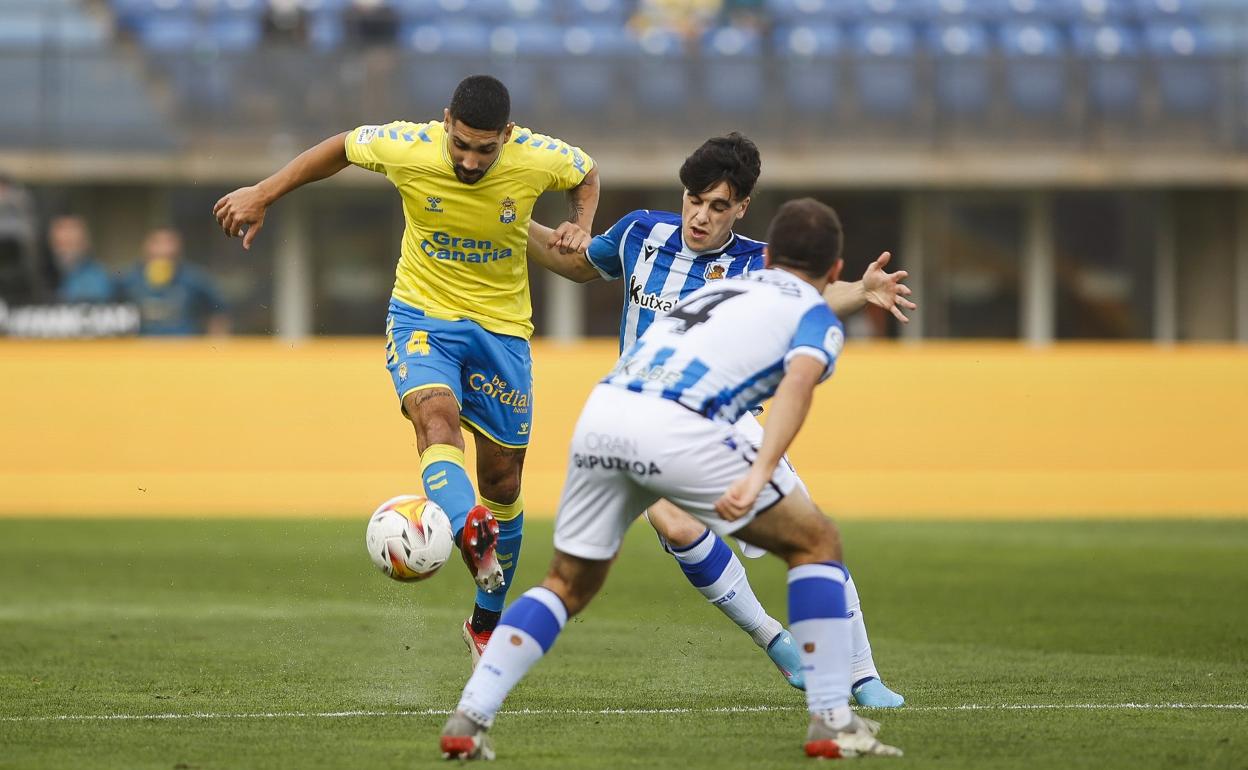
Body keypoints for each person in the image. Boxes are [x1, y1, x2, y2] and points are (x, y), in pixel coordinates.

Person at [441, 198, 904, 761]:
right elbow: (798, 386)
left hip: (603, 414)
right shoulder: (812, 316)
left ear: (771, 255)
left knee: (566, 583)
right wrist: (760, 471)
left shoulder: (718, 289)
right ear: (833, 272)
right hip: (679, 425)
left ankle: (471, 715)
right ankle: (832, 719)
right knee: (817, 542)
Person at [211, 75, 600, 661]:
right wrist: (264, 192)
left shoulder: (539, 157)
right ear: (445, 122)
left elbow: (587, 174)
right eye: (461, 143)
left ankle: (485, 623)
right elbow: (340, 146)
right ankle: (466, 524)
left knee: (504, 482)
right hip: (423, 316)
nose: (469, 160)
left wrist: (582, 223)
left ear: (508, 138)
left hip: (502, 330)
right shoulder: (408, 147)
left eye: (484, 149)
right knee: (435, 419)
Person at [526, 133, 908, 707]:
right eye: (693, 200)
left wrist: (862, 290)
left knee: (811, 532)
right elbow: (577, 264)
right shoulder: (640, 233)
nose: (700, 217)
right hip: (643, 419)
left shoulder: (755, 263)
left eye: (717, 206)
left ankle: (863, 674)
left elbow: (814, 302)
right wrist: (506, 221)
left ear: (742, 208)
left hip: (726, 421)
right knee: (675, 524)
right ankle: (776, 642)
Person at [119, 227, 229, 336]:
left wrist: (215, 344)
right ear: (145, 246)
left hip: (184, 349)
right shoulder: (130, 279)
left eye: (168, 242)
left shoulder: (194, 279)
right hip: (140, 349)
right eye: (157, 243)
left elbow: (219, 311)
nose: (163, 250)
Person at [48, 215, 115, 303]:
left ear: (84, 244)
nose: (62, 251)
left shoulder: (95, 281)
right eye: (59, 244)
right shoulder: (57, 275)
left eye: (69, 243)